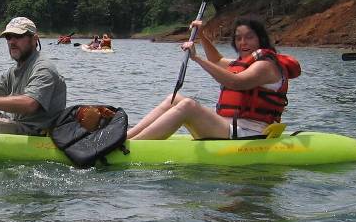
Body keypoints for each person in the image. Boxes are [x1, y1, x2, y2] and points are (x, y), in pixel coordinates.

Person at [127, 17, 300, 140]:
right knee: (174, 100)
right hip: (228, 127)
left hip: (249, 133)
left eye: (249, 37)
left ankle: (133, 147)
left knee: (188, 105)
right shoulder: (243, 63)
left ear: (260, 39)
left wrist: (197, 58)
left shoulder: (266, 66)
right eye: (238, 38)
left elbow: (235, 82)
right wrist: (201, 34)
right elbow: (217, 60)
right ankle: (125, 138)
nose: (243, 43)